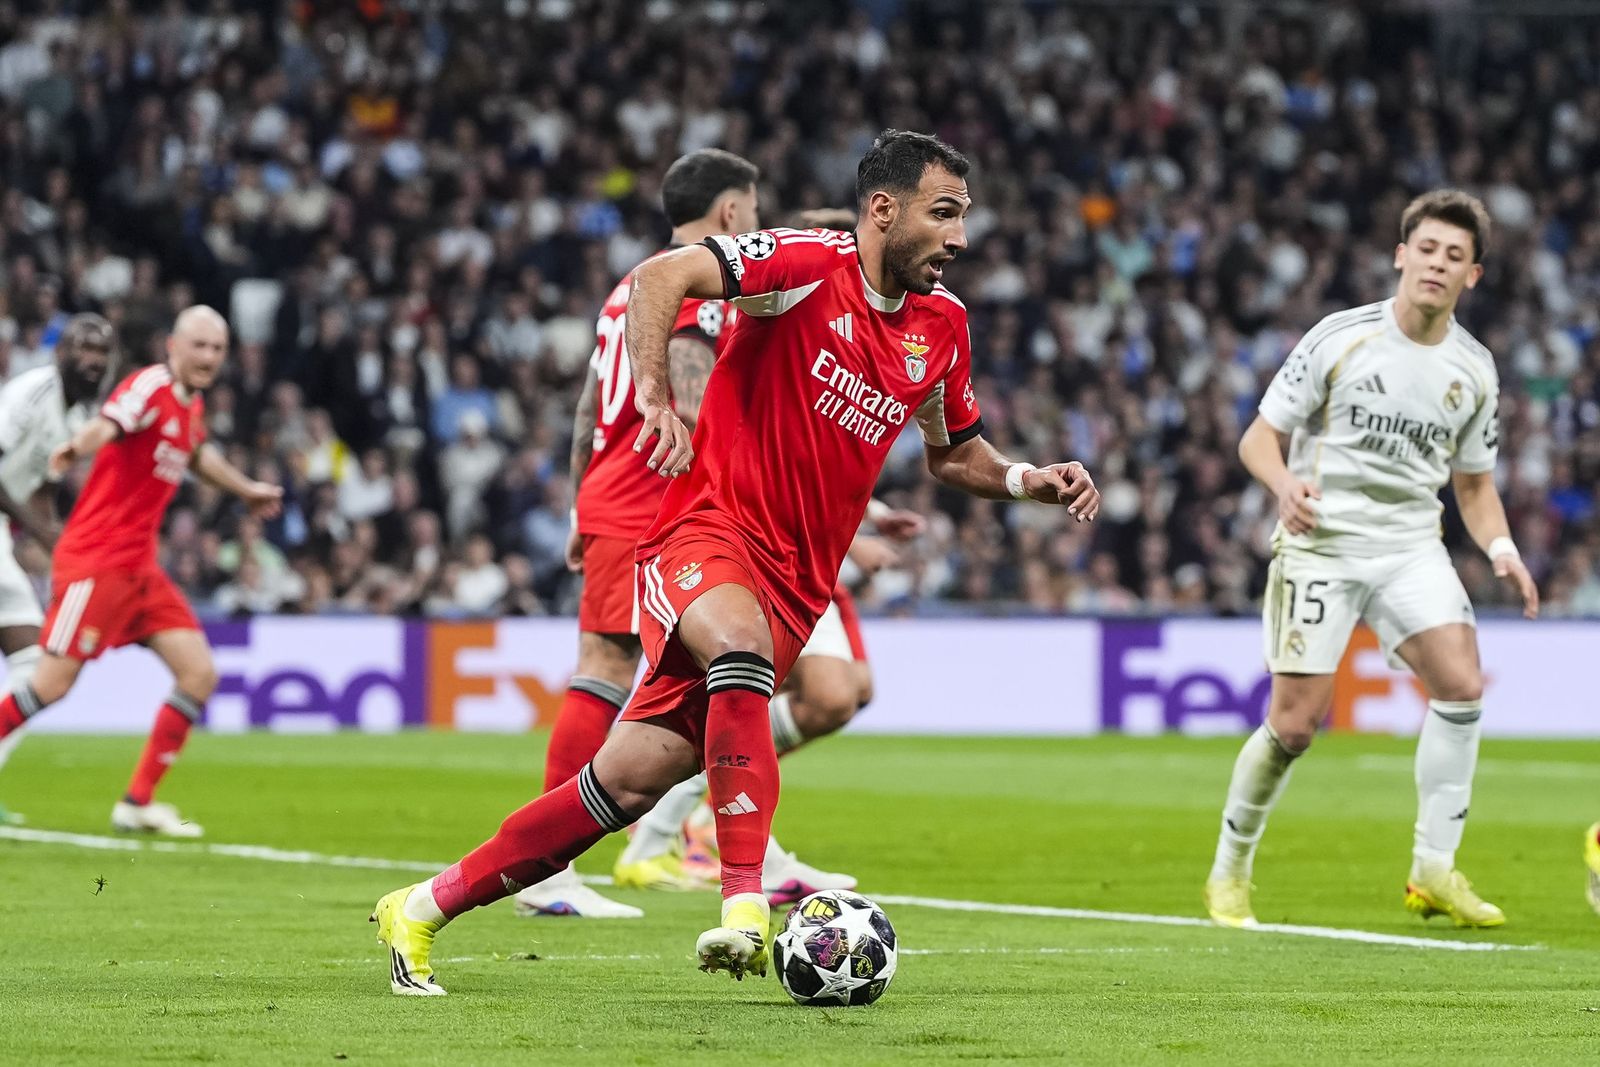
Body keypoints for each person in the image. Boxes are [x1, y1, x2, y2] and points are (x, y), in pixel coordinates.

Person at [371, 129, 1100, 995]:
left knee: (620, 786)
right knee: (738, 649)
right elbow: (661, 276)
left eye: (963, 217)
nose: (960, 238)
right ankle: (745, 907)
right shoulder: (802, 264)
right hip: (703, 531)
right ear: (883, 208)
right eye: (944, 214)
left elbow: (955, 451)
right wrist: (653, 396)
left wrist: (1025, 479)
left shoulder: (943, 326)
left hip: (795, 587)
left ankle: (422, 905)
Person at [1203, 189, 1538, 931]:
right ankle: (1229, 871)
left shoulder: (1474, 371)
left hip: (1410, 547)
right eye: (1428, 249)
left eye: (1455, 255)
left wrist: (1503, 549)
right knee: (1294, 727)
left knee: (1462, 686)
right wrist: (1285, 485)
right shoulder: (1341, 337)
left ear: (1472, 275)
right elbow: (1258, 439)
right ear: (1401, 255)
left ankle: (1433, 870)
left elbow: (1475, 486)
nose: (1438, 264)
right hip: (1322, 543)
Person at [508, 148, 760, 920]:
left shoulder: (630, 286)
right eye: (752, 210)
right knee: (619, 665)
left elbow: (590, 405)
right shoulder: (701, 287)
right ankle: (547, 870)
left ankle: (647, 839)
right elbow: (689, 396)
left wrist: (580, 504)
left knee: (660, 670)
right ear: (729, 211)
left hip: (610, 494)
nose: (756, 224)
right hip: (652, 500)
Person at [0, 306, 282, 835]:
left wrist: (247, 490)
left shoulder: (190, 405)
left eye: (217, 349)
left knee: (199, 674)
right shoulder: (149, 386)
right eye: (199, 346)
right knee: (50, 685)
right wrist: (75, 448)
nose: (208, 357)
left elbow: (197, 454)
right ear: (173, 346)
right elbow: (109, 423)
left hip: (140, 569)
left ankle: (136, 802)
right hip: (96, 562)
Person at [614, 514, 921, 902]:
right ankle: (671, 832)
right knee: (819, 695)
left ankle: (721, 819)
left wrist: (872, 514)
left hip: (817, 556)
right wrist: (855, 542)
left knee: (851, 692)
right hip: (770, 549)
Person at [0, 313, 114, 823]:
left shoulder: (80, 414)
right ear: (60, 352)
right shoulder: (30, 393)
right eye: (84, 348)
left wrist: (61, 544)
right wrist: (41, 532)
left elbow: (42, 490)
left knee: (32, 666)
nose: (93, 359)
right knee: (36, 666)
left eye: (102, 351)